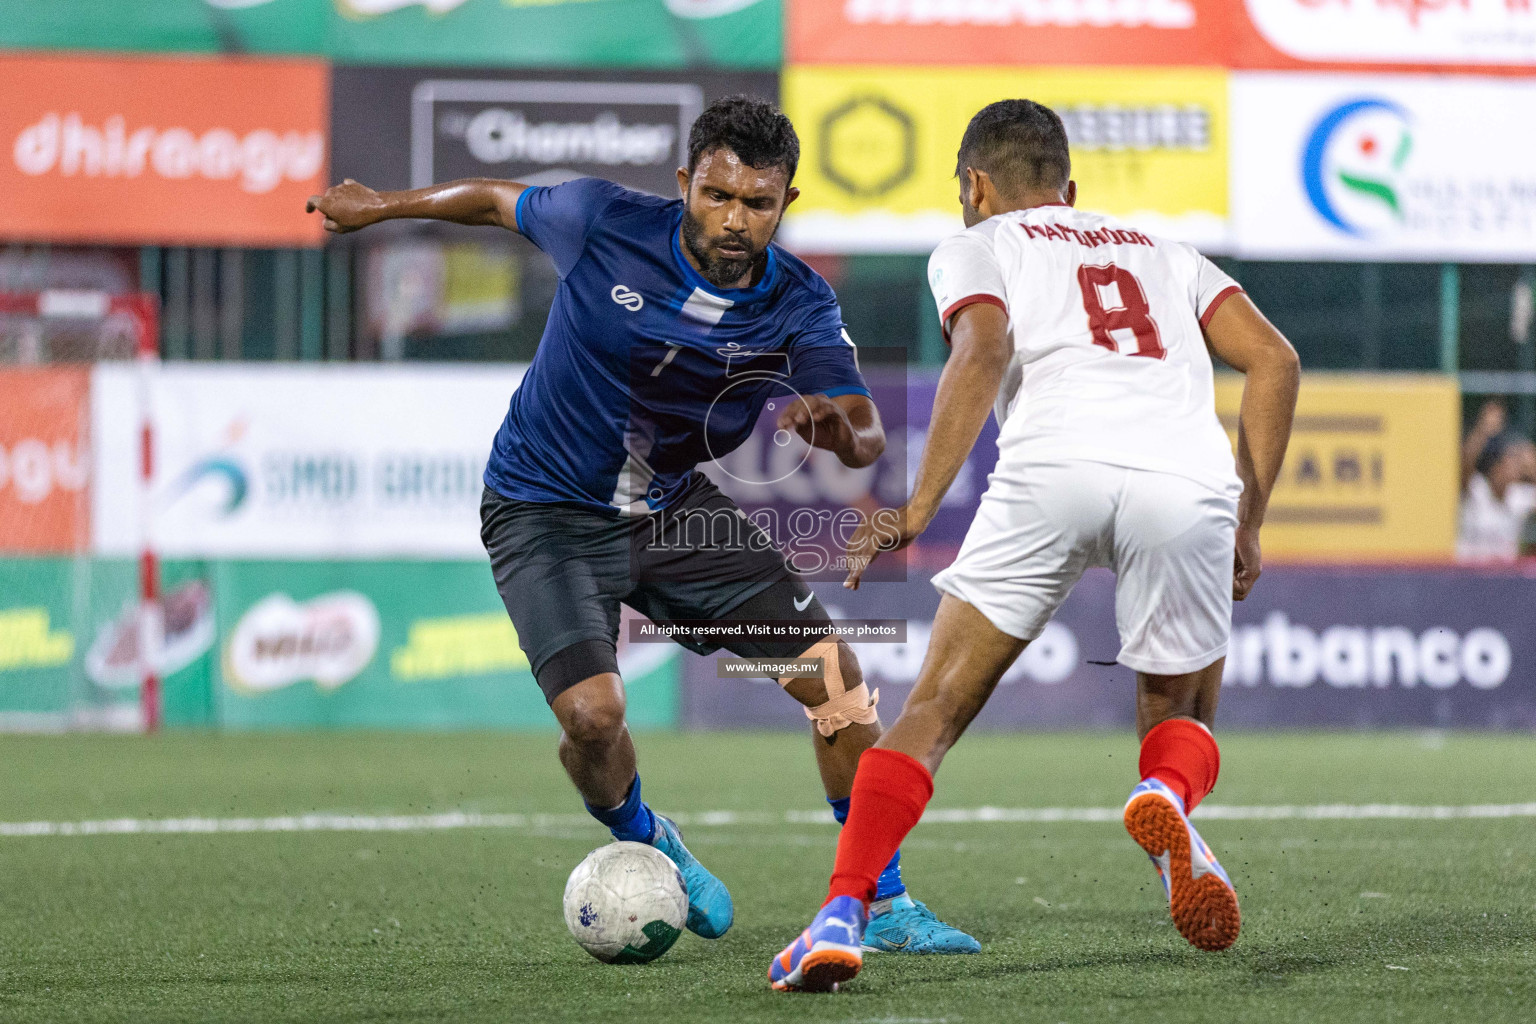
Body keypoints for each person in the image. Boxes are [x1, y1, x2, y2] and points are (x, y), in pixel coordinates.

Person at [306, 96, 976, 954]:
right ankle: (650, 837)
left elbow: (860, 422)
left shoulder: (798, 303)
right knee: (592, 715)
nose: (735, 220)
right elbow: (490, 200)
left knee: (838, 687)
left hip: (672, 510)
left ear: (786, 203)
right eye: (718, 195)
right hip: (541, 508)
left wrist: (841, 428)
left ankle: (880, 900)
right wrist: (382, 208)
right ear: (684, 183)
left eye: (758, 204)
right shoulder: (599, 219)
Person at [770, 99, 1300, 992]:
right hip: (1186, 480)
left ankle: (844, 911)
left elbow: (981, 352)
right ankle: (1166, 800)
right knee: (1178, 716)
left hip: (1053, 469)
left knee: (931, 712)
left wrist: (915, 504)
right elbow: (1276, 360)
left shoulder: (979, 246)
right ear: (1071, 188)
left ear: (976, 187)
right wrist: (1248, 519)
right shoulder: (1169, 254)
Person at [1458, 400, 1536, 562]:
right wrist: (1482, 430)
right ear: (1494, 468)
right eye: (1507, 463)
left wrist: (1532, 464)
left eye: (1515, 465)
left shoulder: (1519, 496)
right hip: (1467, 575)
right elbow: (1465, 463)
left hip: (1504, 579)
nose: (1511, 470)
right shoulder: (1477, 489)